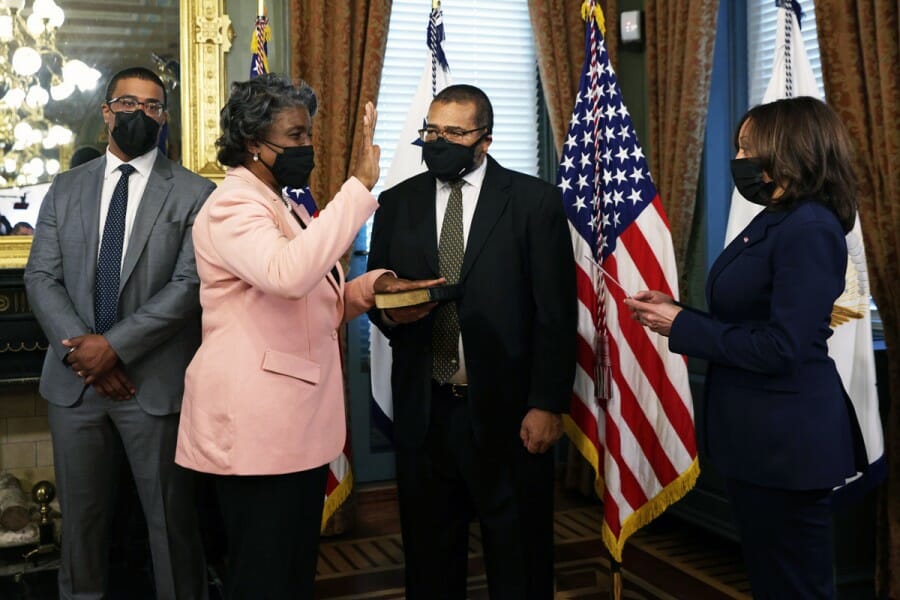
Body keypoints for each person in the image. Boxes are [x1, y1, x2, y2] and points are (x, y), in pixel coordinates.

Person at [174, 73, 437, 599]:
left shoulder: (286, 203)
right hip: (254, 432)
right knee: (264, 579)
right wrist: (359, 187)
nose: (307, 147)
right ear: (253, 143)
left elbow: (319, 298)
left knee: (292, 576)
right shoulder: (233, 206)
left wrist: (373, 287)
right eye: (295, 136)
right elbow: (288, 274)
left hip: (292, 429)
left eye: (308, 135)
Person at [625, 96, 866, 599]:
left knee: (796, 585)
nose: (739, 159)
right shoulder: (778, 218)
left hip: (787, 445)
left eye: (747, 148)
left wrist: (682, 327)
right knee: (772, 580)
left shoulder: (810, 227)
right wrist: (678, 312)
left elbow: (783, 347)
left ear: (790, 150)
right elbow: (749, 316)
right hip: (758, 440)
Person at [367, 84, 577, 599]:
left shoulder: (534, 202)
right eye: (431, 131)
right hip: (425, 408)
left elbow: (556, 313)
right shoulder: (397, 202)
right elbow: (376, 293)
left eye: (453, 133)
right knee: (430, 559)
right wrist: (394, 315)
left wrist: (547, 403)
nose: (438, 141)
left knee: (519, 558)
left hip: (510, 414)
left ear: (484, 140)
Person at [24, 66, 213, 599]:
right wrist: (87, 355)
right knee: (79, 530)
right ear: (107, 111)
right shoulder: (64, 189)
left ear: (164, 118)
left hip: (151, 384)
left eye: (152, 106)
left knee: (172, 527)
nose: (139, 113)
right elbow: (41, 276)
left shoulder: (195, 193)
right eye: (127, 103)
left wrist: (115, 349)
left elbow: (187, 285)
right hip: (74, 384)